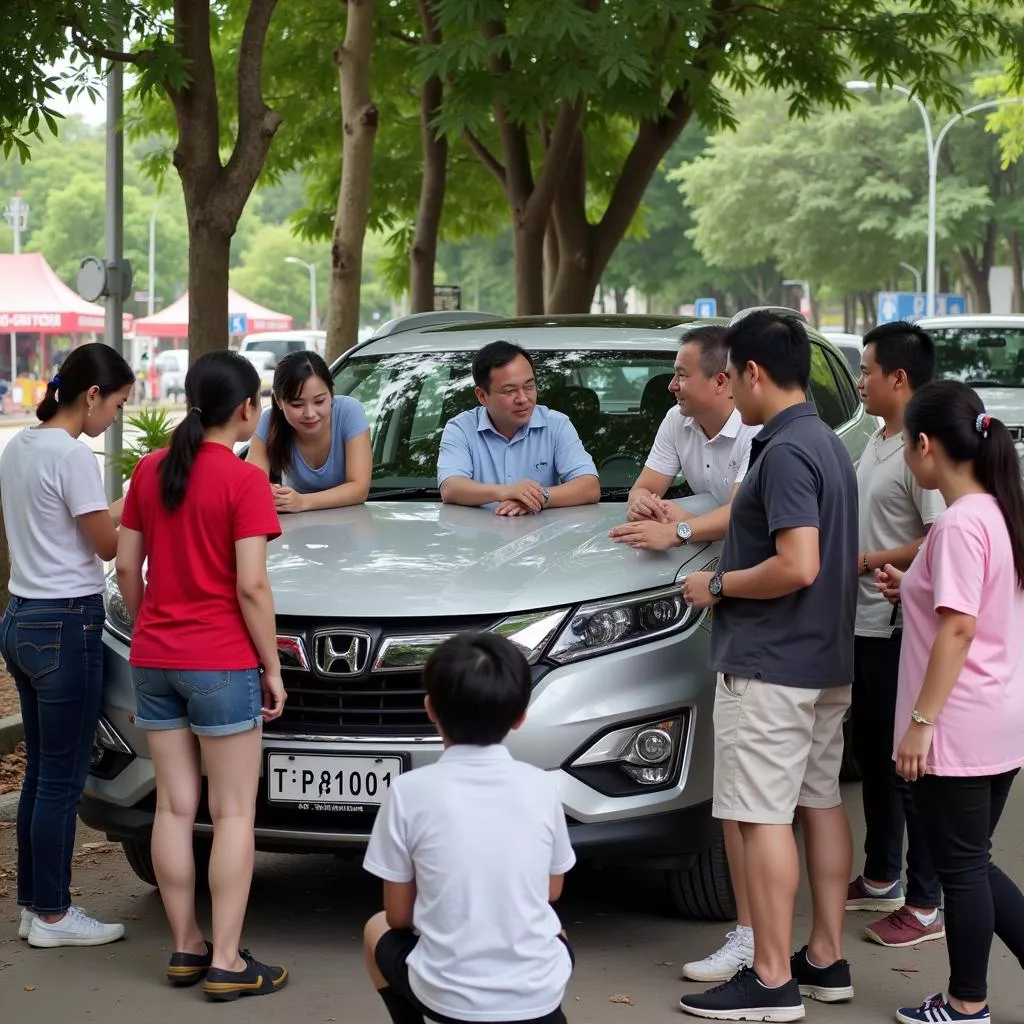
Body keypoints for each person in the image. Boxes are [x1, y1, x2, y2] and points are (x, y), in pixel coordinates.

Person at [679, 311, 858, 1022]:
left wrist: (716, 585)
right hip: (822, 661)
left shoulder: (782, 451)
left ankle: (773, 978)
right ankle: (825, 958)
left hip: (771, 663)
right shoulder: (826, 440)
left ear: (753, 373)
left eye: (733, 376)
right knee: (819, 804)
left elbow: (799, 563)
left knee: (760, 821)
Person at [116, 351, 289, 1001]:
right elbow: (251, 585)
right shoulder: (244, 481)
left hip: (154, 658)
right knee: (233, 812)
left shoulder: (152, 470)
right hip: (220, 661)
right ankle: (225, 960)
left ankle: (185, 946)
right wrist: (272, 667)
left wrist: (150, 627)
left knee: (173, 806)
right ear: (247, 409)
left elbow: (129, 570)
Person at [608, 324, 761, 984]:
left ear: (722, 381)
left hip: (748, 598)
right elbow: (648, 487)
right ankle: (766, 942)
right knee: (750, 788)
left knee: (754, 797)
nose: (672, 386)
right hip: (706, 594)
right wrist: (649, 501)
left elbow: (750, 514)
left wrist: (678, 525)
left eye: (680, 374)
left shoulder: (760, 434)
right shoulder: (679, 418)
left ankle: (761, 941)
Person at [874, 381, 1024, 1024]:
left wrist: (919, 724)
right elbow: (970, 611)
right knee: (972, 864)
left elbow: (960, 628)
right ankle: (968, 999)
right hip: (997, 718)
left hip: (955, 724)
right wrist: (911, 588)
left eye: (906, 444)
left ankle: (966, 1004)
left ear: (926, 445)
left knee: (961, 870)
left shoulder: (961, 522)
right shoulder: (997, 510)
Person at [362, 632, 576, 1024]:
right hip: (537, 999)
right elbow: (551, 890)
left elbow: (397, 916)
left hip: (449, 1000)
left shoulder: (408, 791)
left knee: (375, 928)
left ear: (430, 708)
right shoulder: (542, 786)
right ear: (520, 715)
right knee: (553, 932)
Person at [0, 343, 134, 948]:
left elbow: (65, 526)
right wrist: (134, 504)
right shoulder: (72, 456)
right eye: (118, 404)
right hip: (66, 623)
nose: (116, 417)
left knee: (39, 777)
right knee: (61, 779)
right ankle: (53, 914)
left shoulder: (18, 448)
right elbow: (106, 545)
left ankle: (35, 905)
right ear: (91, 397)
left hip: (22, 617)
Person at [847, 322, 945, 948]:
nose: (860, 381)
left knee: (908, 768)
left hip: (896, 625)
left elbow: (941, 537)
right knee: (876, 759)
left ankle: (926, 901)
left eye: (866, 371)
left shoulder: (922, 448)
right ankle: (882, 874)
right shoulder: (877, 440)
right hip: (860, 620)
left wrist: (869, 560)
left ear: (899, 378)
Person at [437, 341, 600, 514]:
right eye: (509, 391)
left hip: (547, 533)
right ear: (482, 396)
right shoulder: (461, 428)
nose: (523, 398)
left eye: (529, 386)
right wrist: (504, 492)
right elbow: (450, 487)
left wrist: (538, 497)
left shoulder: (556, 424)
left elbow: (589, 486)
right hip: (477, 536)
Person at [247, 349, 371, 513]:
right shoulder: (269, 421)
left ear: (331, 394)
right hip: (293, 531)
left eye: (319, 401)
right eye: (297, 405)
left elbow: (359, 489)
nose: (310, 414)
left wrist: (303, 502)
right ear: (278, 401)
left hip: (353, 526)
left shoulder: (349, 412)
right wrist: (266, 491)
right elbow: (250, 482)